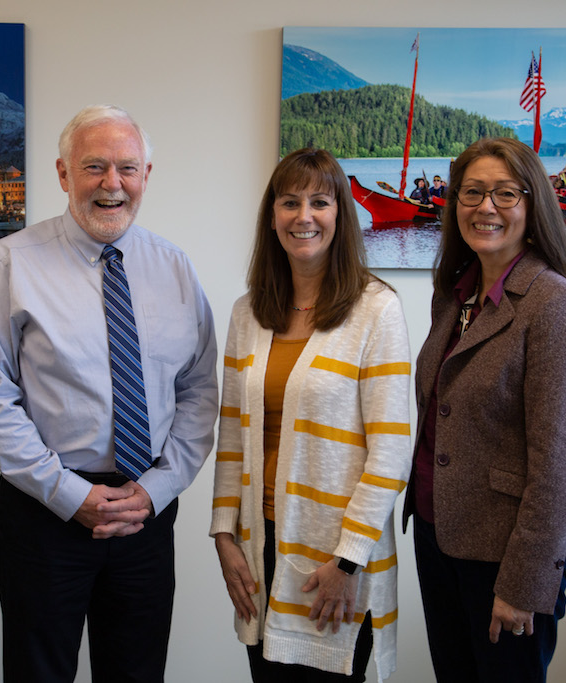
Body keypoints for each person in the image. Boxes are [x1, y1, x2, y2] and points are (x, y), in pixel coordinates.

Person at [0, 104, 218, 682]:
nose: (112, 184)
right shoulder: (11, 263)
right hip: (46, 511)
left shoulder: (175, 268)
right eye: (94, 166)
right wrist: (66, 493)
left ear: (147, 175)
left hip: (145, 512)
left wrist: (158, 489)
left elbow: (199, 392)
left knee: (137, 672)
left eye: (127, 168)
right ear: (62, 174)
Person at [211, 148, 412, 681]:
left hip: (335, 558)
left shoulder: (377, 309)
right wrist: (224, 535)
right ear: (271, 215)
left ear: (341, 215)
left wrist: (348, 560)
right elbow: (232, 431)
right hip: (260, 545)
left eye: (319, 202)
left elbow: (391, 452)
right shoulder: (247, 313)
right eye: (289, 202)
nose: (304, 216)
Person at [403, 137, 566, 683]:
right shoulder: (453, 295)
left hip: (507, 554)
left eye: (505, 193)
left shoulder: (555, 304)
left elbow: (560, 464)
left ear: (533, 206)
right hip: (439, 537)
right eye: (472, 192)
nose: (485, 207)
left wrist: (522, 584)